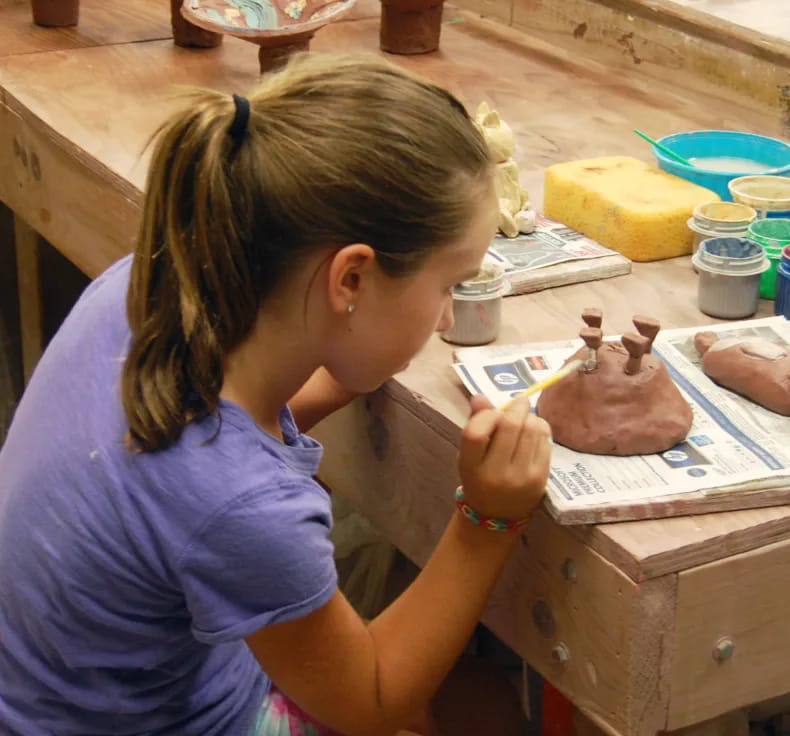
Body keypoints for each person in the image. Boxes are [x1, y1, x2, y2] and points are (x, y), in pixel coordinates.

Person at [0, 53, 551, 735]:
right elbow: (371, 702)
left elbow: (182, 456)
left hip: (50, 693)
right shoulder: (245, 504)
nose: (444, 319)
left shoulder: (143, 289)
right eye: (449, 285)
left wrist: (344, 374)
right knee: (486, 711)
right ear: (351, 280)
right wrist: (487, 521)